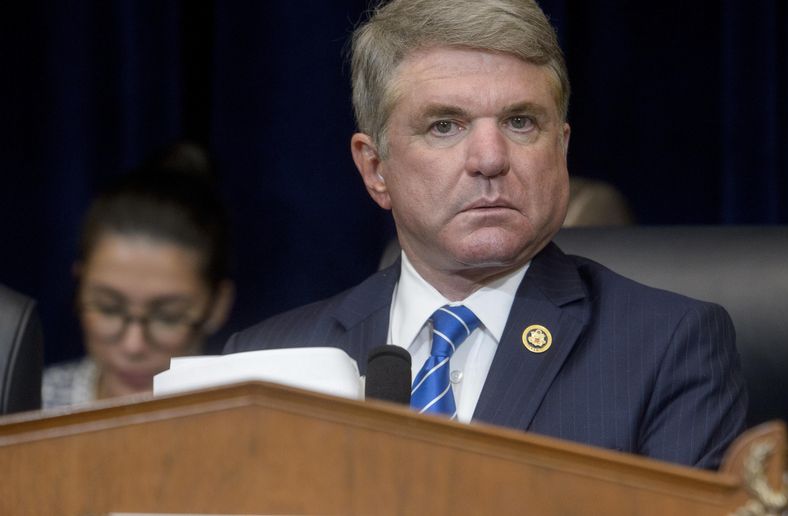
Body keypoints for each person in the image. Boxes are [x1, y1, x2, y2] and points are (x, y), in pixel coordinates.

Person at [224, 0, 747, 469]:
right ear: (375, 168)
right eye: (445, 126)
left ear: (560, 151)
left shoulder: (667, 347)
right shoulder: (263, 361)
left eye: (520, 122)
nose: (491, 159)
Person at [42, 143, 234, 408]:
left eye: (167, 317)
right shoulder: (25, 406)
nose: (134, 345)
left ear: (217, 306)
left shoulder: (248, 424)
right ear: (79, 286)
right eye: (109, 309)